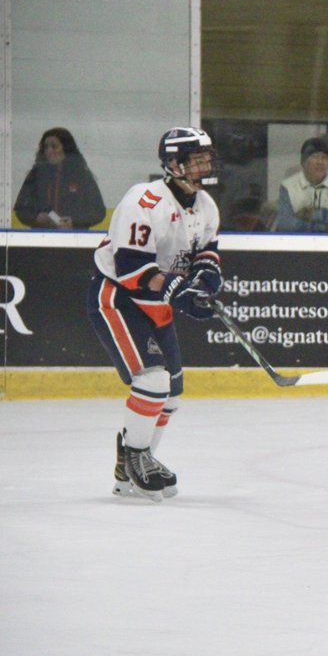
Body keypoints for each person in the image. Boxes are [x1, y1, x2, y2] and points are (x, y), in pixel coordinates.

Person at [86, 127, 224, 502]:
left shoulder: (207, 206)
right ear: (174, 165)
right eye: (197, 161)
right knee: (153, 381)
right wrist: (179, 290)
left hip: (156, 304)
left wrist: (205, 281)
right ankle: (135, 459)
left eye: (207, 159)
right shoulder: (143, 201)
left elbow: (205, 255)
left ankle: (134, 463)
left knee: (171, 395)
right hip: (119, 298)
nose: (205, 167)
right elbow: (132, 268)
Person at [14, 127, 106, 229]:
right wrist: (37, 218)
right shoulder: (36, 175)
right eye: (46, 147)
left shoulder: (81, 175)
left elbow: (98, 212)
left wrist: (74, 221)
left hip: (75, 236)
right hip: (42, 236)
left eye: (54, 147)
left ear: (66, 149)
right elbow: (20, 209)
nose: (49, 151)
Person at [274, 137, 328, 232]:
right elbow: (286, 223)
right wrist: (326, 228)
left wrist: (315, 214)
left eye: (324, 157)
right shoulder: (288, 186)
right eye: (315, 157)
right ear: (303, 162)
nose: (320, 162)